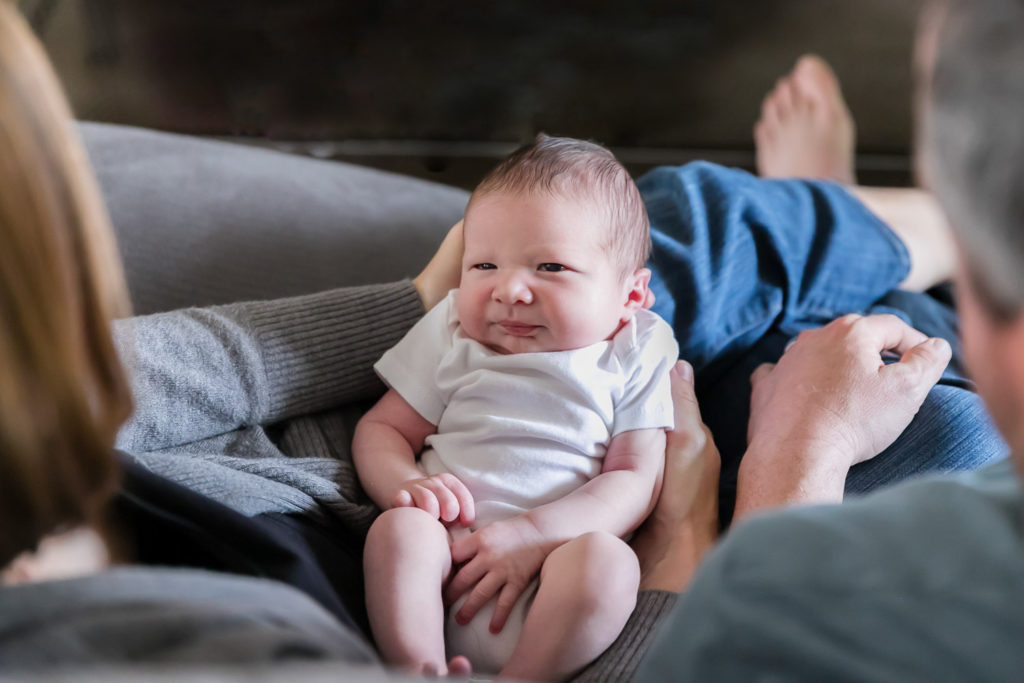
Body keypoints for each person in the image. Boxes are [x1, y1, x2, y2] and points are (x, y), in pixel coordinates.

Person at [0, 0, 1002, 678]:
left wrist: (433, 297)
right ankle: (915, 231)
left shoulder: (44, 462)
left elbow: (123, 378)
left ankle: (881, 232)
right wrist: (728, 506)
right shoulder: (136, 643)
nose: (508, 289)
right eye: (490, 270)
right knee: (929, 409)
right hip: (612, 583)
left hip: (438, 455)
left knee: (678, 237)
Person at [625, 0, 1024, 678]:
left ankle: (873, 228)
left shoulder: (791, 611)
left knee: (686, 247)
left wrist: (797, 457)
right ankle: (874, 232)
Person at [355, 136, 677, 679]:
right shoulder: (454, 329)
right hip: (448, 559)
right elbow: (382, 427)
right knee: (400, 530)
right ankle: (416, 663)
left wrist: (536, 535)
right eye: (483, 265)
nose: (510, 291)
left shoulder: (636, 347)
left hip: (554, 568)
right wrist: (403, 484)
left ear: (631, 297)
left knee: (609, 563)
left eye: (550, 266)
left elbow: (635, 477)